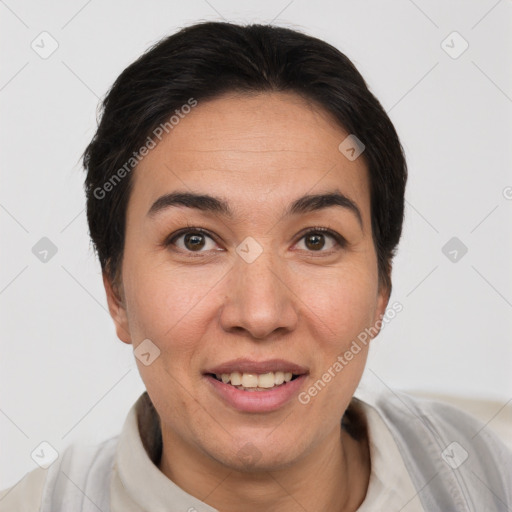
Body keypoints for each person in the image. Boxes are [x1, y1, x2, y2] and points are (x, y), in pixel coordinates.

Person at [1, 21, 511, 512]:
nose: (261, 313)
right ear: (116, 292)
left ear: (382, 288)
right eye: (195, 240)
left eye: (316, 239)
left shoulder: (493, 472)